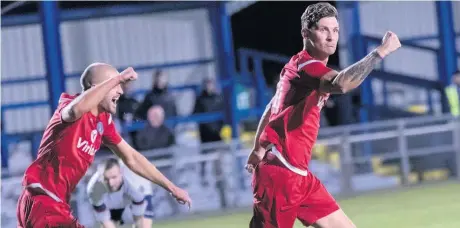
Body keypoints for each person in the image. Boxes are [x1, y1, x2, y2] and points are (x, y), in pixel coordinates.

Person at [246, 3, 401, 228]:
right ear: (305, 33)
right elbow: (342, 84)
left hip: (299, 175)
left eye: (335, 30)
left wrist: (258, 148)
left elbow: (273, 105)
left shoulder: (297, 65)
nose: (331, 37)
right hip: (280, 177)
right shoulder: (308, 66)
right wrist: (380, 52)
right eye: (323, 30)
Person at [16, 63, 191, 228]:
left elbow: (132, 158)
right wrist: (119, 77)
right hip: (45, 201)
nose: (120, 90)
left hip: (42, 203)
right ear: (96, 87)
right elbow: (77, 109)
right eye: (115, 85)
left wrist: (171, 187)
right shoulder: (69, 107)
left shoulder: (103, 122)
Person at [86, 158, 147, 228]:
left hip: (128, 195)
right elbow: (105, 220)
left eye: (114, 177)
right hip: (107, 202)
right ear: (100, 177)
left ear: (121, 173)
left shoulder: (135, 182)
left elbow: (138, 218)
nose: (110, 183)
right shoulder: (94, 189)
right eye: (106, 179)